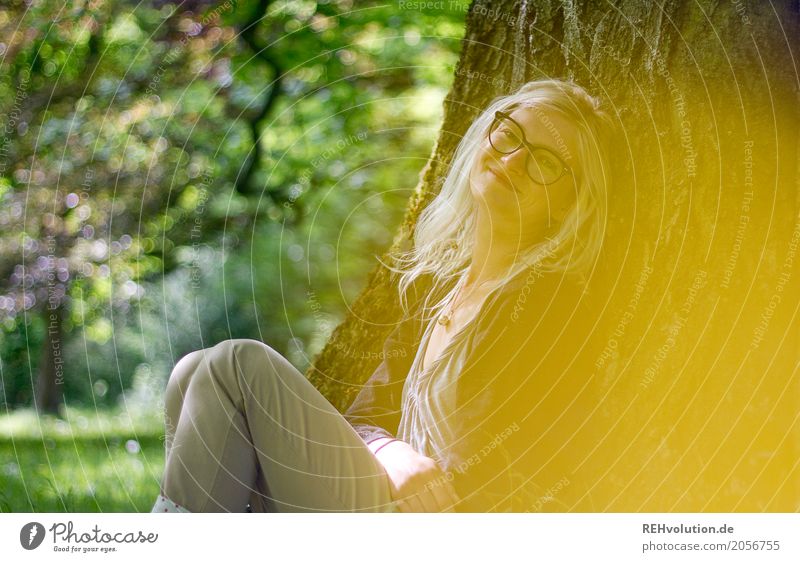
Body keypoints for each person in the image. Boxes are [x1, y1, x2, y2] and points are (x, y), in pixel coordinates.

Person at [151, 77, 616, 513]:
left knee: (238, 367)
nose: (513, 159)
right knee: (193, 372)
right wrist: (390, 450)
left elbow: (530, 464)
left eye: (546, 162)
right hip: (387, 498)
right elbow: (365, 415)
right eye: (510, 134)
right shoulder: (437, 288)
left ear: (570, 203)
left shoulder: (547, 304)